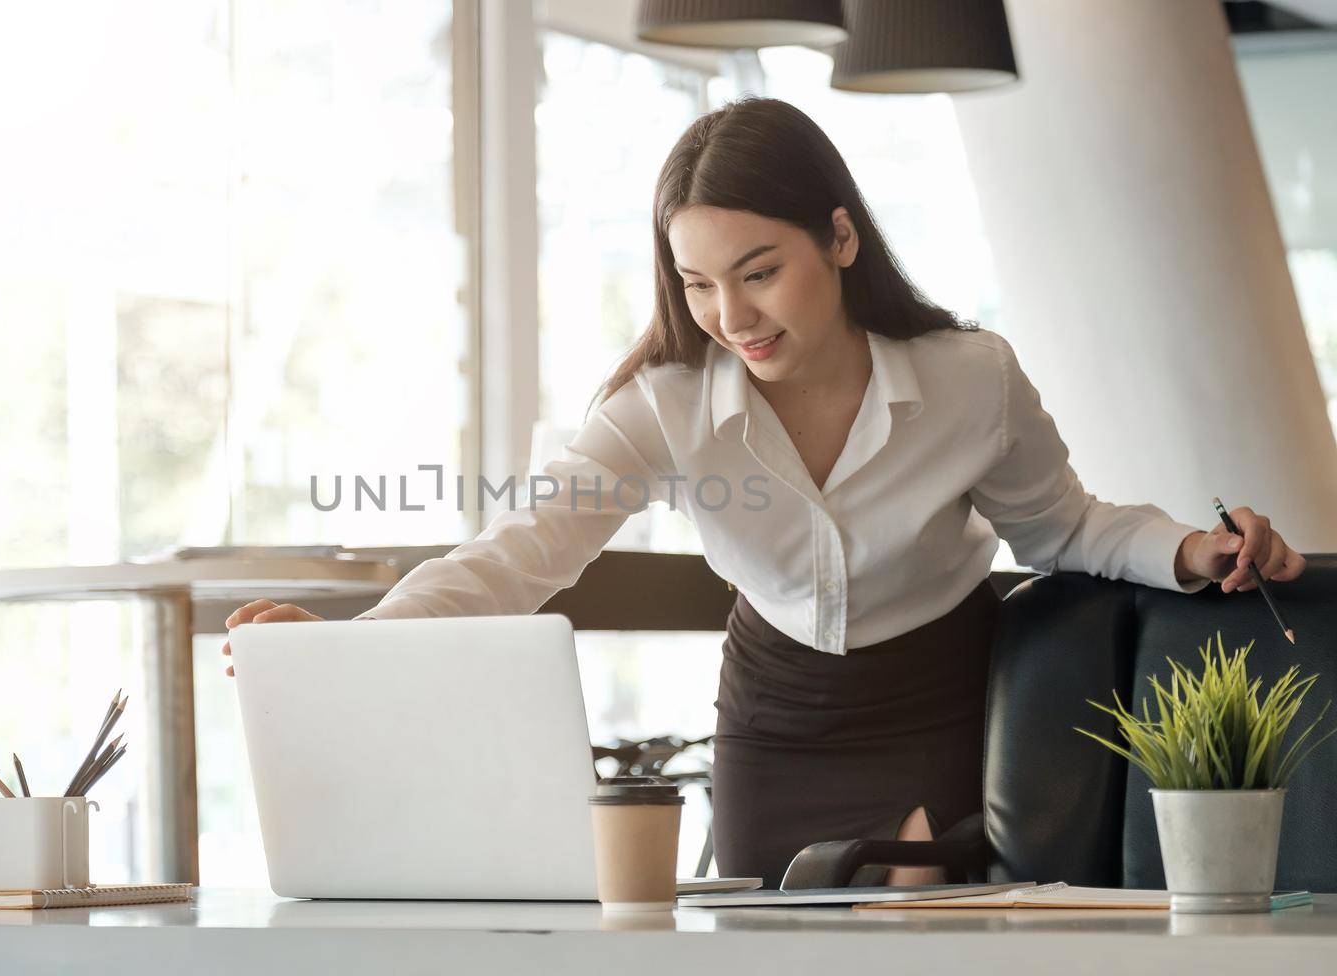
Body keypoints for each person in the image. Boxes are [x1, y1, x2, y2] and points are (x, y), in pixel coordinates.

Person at [222, 95, 1306, 888]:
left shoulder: (971, 378)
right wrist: (350, 641)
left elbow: (1064, 524)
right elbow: (520, 554)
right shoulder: (663, 405)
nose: (731, 315)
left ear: (839, 238)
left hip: (938, 708)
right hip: (774, 725)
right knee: (762, 953)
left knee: (922, 943)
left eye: (758, 270)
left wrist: (1191, 550)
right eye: (696, 283)